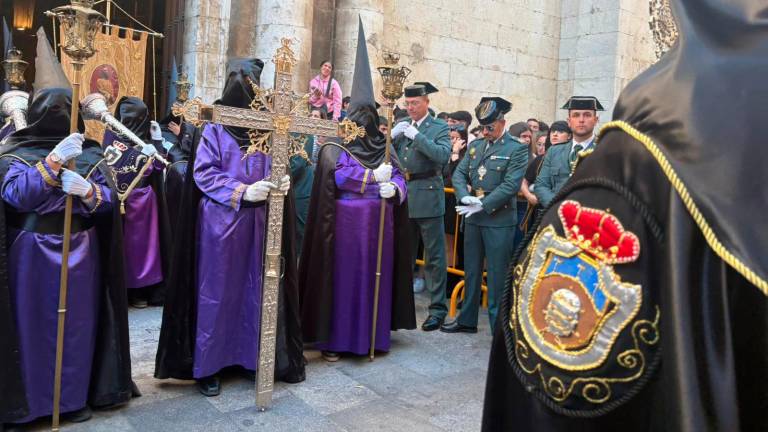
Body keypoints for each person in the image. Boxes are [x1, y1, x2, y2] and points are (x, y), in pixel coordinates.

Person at [483, 1, 767, 430]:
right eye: (573, 114)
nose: (578, 121)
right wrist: (541, 198)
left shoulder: (647, 137)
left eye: (584, 115)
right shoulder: (571, 151)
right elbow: (536, 181)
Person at [0, 28, 134, 426]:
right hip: (32, 250)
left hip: (81, 249)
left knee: (77, 325)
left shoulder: (89, 151)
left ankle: (71, 399)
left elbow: (110, 203)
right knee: (32, 327)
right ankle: (31, 405)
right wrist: (52, 163)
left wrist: (90, 191)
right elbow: (15, 197)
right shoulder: (15, 152)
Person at [154, 57, 305, 397]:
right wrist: (241, 191)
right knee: (217, 293)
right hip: (221, 222)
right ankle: (209, 364)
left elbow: (279, 164)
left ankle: (251, 359)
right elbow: (204, 172)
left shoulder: (269, 128)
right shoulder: (215, 126)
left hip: (260, 222)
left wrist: (279, 181)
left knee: (256, 291)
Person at [299, 19, 415, 361]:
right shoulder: (336, 144)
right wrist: (371, 179)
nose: (364, 126)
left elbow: (399, 177)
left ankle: (372, 339)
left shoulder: (384, 145)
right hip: (346, 226)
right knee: (344, 283)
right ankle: (335, 341)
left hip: (380, 225)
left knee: (373, 282)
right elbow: (336, 175)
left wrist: (393, 188)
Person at [443, 97, 528, 334]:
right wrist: (464, 196)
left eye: (490, 127)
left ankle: (498, 328)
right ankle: (467, 320)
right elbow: (459, 175)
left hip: (498, 219)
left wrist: (484, 204)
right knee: (471, 270)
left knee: (498, 276)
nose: (486, 132)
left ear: (502, 122)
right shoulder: (476, 146)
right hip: (474, 216)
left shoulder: (516, 148)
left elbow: (511, 185)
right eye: (483, 128)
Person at [102, 97, 172, 308]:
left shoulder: (144, 139)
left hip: (144, 203)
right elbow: (115, 168)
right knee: (122, 249)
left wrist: (157, 142)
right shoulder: (111, 135)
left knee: (143, 252)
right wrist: (141, 157)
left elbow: (159, 167)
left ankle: (141, 291)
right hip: (120, 201)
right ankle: (122, 291)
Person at [392, 81, 451, 332]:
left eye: (415, 103)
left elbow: (442, 156)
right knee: (404, 254)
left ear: (426, 102)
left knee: (434, 258)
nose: (411, 107)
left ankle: (437, 309)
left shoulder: (437, 127)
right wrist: (391, 138)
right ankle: (401, 306)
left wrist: (418, 137)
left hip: (428, 193)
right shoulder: (404, 125)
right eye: (408, 103)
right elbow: (393, 157)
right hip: (405, 196)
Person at [533, 96, 603, 208]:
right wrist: (557, 207)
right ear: (569, 121)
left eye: (587, 115)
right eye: (576, 115)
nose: (581, 120)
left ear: (596, 120)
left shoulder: (605, 150)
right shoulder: (554, 151)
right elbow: (541, 185)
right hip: (556, 217)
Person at [291, 108, 321, 253]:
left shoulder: (302, 130)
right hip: (290, 187)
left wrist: (273, 177)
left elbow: (297, 163)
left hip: (300, 189)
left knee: (299, 233)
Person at [443, 123, 468, 295]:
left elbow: (457, 177)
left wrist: (456, 153)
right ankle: (450, 283)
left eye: (456, 138)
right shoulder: (445, 153)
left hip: (461, 204)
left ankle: (461, 283)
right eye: (450, 138)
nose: (453, 141)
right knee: (449, 243)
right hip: (447, 203)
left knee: (462, 246)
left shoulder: (464, 156)